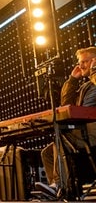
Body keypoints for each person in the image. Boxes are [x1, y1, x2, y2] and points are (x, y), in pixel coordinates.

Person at [38, 46, 96, 198]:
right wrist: (72, 81)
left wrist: (95, 70)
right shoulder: (85, 85)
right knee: (48, 153)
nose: (80, 65)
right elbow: (66, 105)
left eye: (85, 61)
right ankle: (58, 190)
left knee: (62, 138)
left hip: (93, 130)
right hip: (85, 130)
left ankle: (60, 184)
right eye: (79, 62)